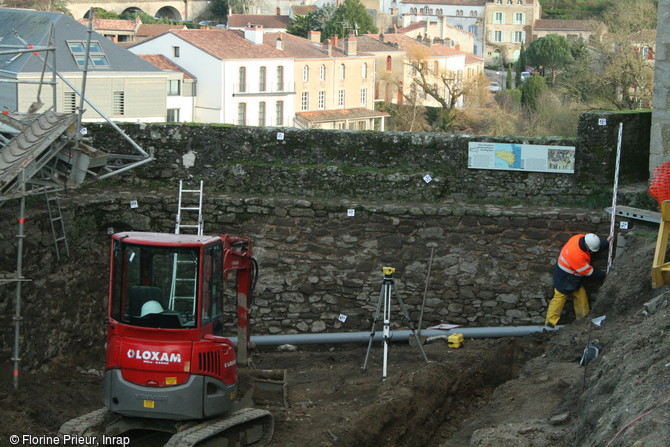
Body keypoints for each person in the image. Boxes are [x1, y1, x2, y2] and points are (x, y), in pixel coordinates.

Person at [545, 233, 608, 328]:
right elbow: (589, 272)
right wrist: (605, 275)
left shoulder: (578, 238)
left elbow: (593, 248)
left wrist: (606, 242)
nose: (591, 252)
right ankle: (550, 323)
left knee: (581, 297)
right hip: (564, 277)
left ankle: (582, 321)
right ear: (587, 246)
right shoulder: (577, 256)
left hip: (572, 275)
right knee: (560, 297)